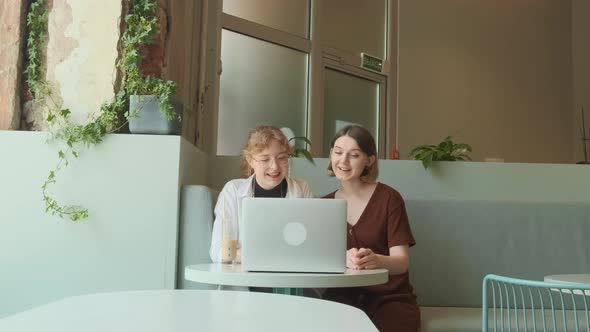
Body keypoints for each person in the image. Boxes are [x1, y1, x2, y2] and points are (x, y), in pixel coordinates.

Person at [322, 125, 420, 332]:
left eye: (354, 155)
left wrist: (377, 260)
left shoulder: (389, 198)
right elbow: (318, 262)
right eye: (338, 152)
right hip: (342, 297)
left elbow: (401, 263)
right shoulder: (324, 205)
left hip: (390, 299)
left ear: (369, 160)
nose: (343, 161)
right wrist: (342, 259)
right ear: (331, 154)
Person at [209, 125, 314, 263]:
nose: (275, 166)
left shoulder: (302, 188)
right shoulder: (233, 191)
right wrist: (270, 256)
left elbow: (311, 247)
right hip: (244, 280)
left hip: (288, 278)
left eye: (282, 158)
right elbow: (219, 252)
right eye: (265, 159)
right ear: (250, 160)